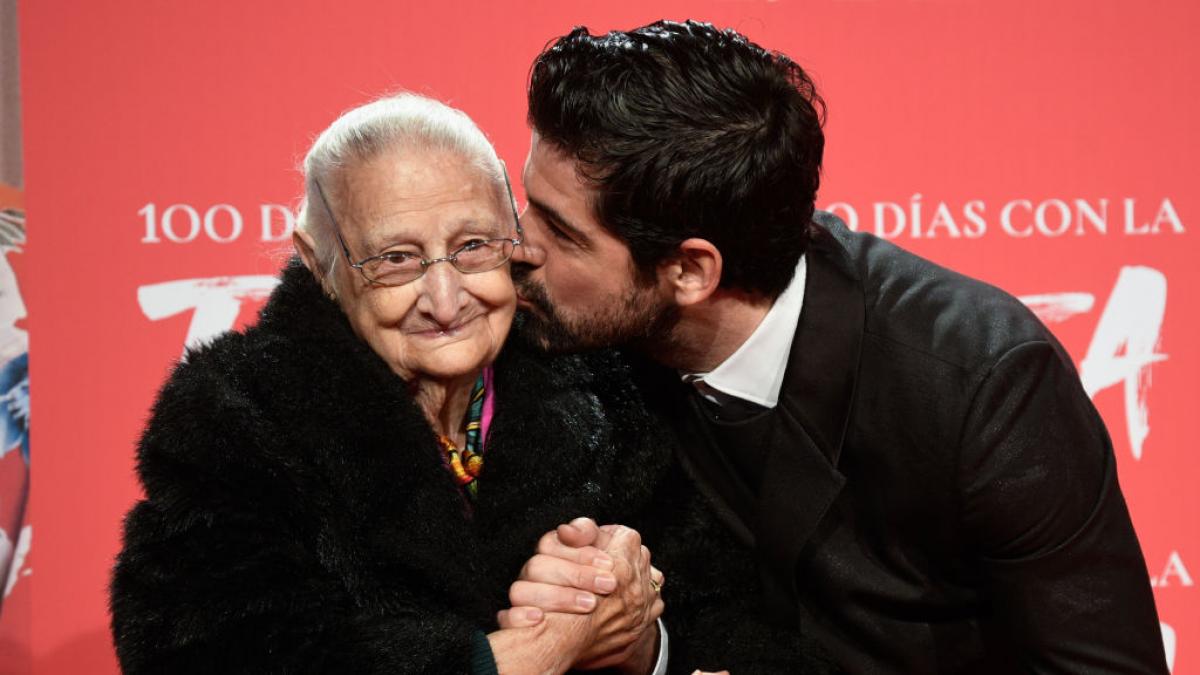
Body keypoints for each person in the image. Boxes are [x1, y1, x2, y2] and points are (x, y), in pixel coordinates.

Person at [506, 20, 1170, 673]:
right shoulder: (575, 338)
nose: (517, 245)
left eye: (562, 234)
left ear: (690, 271)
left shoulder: (985, 387)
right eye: (526, 201)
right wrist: (646, 649)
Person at [110, 93, 833, 675]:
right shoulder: (236, 417)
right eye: (396, 258)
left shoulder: (609, 381)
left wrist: (640, 642)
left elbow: (745, 621)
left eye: (473, 246)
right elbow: (203, 652)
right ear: (320, 259)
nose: (447, 297)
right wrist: (528, 652)